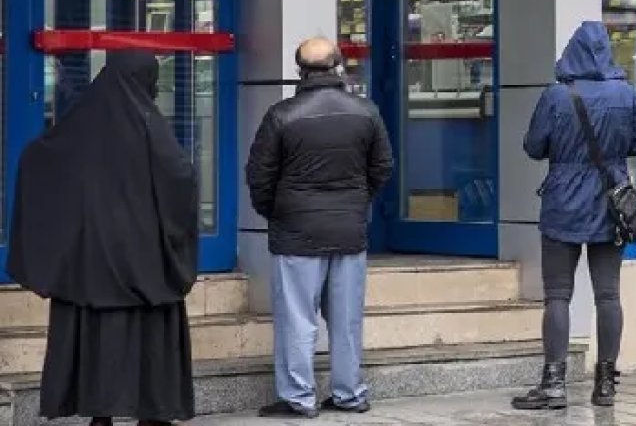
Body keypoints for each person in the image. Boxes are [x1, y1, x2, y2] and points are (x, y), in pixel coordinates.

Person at [8, 50, 199, 425]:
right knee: (149, 333)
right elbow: (180, 178)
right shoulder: (151, 126)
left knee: (94, 333)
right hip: (145, 265)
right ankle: (152, 411)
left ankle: (99, 413)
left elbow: (38, 160)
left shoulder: (79, 124)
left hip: (91, 263)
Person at [246, 37, 394, 417]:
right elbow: (382, 168)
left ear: (300, 70)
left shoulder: (282, 115)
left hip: (296, 231)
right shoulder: (366, 112)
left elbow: (260, 177)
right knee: (346, 320)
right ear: (339, 66)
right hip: (348, 229)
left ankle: (299, 397)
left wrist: (276, 212)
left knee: (298, 318)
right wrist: (357, 202)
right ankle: (349, 393)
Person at [513, 21, 636, 410]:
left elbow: (533, 146)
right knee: (608, 294)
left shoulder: (557, 96)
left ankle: (554, 384)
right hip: (612, 203)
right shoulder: (625, 93)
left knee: (558, 294)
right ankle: (605, 383)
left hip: (563, 203)